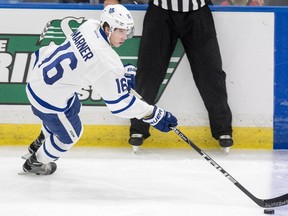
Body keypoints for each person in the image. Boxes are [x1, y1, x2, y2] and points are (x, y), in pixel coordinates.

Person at [21, 4, 177, 175]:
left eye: (127, 31)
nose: (124, 36)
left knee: (73, 108)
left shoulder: (90, 25)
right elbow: (120, 105)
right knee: (70, 136)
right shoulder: (107, 63)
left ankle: (41, 139)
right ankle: (36, 162)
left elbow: (93, 61)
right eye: (120, 31)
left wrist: (121, 74)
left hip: (37, 78)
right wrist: (153, 114)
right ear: (107, 27)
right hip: (47, 100)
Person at [127, 0, 233, 152]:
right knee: (148, 72)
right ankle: (138, 127)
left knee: (210, 73)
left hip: (198, 12)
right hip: (160, 11)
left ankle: (223, 130)